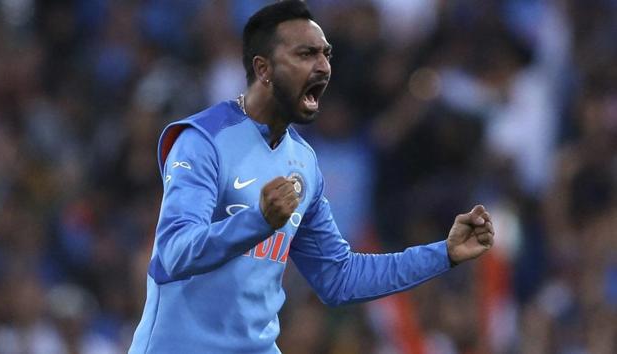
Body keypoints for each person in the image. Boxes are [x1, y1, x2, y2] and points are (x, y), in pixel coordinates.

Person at [128, 1, 495, 353]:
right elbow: (174, 253)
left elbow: (339, 277)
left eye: (326, 54)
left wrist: (443, 254)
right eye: (306, 54)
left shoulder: (302, 161)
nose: (323, 67)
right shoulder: (203, 141)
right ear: (264, 69)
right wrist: (257, 222)